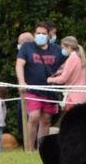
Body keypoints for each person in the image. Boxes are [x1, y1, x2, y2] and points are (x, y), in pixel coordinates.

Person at [16, 22, 66, 150]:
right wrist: (22, 81)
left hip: (49, 90)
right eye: (38, 33)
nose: (40, 36)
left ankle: (41, 150)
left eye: (43, 33)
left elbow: (70, 61)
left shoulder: (57, 50)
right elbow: (19, 64)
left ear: (49, 36)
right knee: (33, 116)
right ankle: (29, 149)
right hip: (32, 89)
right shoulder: (27, 47)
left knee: (46, 120)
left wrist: (62, 72)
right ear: (34, 34)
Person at [47, 36, 86, 110]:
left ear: (69, 47)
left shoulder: (72, 59)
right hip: (81, 96)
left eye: (63, 48)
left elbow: (63, 78)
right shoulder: (80, 58)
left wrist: (50, 80)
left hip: (73, 97)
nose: (62, 50)